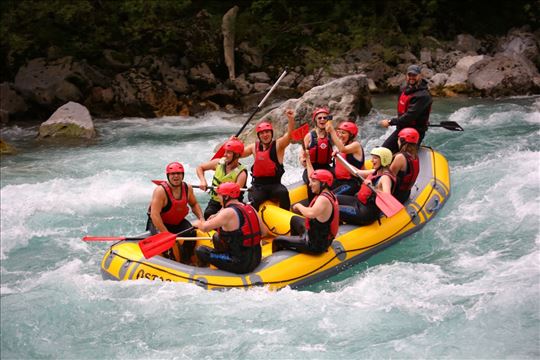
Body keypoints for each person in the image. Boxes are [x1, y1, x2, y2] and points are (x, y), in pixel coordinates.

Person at [193, 182, 264, 274]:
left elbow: (205, 228)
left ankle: (204, 274)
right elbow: (264, 232)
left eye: (219, 196)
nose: (218, 199)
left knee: (201, 251)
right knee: (217, 237)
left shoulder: (227, 212)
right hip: (256, 259)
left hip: (239, 263)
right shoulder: (250, 208)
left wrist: (198, 223)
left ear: (226, 197)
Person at [147, 162, 204, 264]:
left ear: (183, 175)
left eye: (179, 173)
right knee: (166, 245)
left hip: (177, 221)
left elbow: (194, 204)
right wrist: (166, 233)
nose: (176, 176)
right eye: (173, 174)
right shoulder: (160, 191)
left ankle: (185, 259)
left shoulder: (188, 188)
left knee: (191, 234)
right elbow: (154, 215)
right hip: (160, 223)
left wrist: (201, 219)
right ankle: (169, 262)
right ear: (168, 176)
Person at [272, 169, 339, 255]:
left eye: (314, 181)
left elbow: (310, 214)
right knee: (294, 219)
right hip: (314, 234)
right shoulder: (328, 193)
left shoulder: (323, 199)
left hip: (315, 244)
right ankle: (294, 245)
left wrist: (299, 206)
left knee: (277, 240)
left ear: (323, 183)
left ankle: (281, 259)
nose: (310, 184)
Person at [241, 109, 295, 210]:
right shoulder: (254, 147)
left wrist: (291, 120)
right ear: (258, 136)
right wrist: (233, 143)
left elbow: (289, 136)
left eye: (267, 132)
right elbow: (239, 153)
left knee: (283, 192)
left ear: (271, 133)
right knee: (254, 200)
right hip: (258, 186)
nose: (265, 135)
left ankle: (286, 217)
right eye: (262, 133)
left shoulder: (278, 145)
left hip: (275, 185)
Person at [379, 64, 433, 153]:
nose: (411, 77)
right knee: (383, 152)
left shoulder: (423, 95)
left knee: (405, 157)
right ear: (406, 76)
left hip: (414, 132)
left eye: (414, 75)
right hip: (401, 128)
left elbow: (409, 117)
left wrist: (390, 122)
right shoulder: (405, 89)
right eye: (409, 75)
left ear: (420, 76)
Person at [337, 147, 396, 226]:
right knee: (332, 199)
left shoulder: (385, 178)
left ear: (383, 160)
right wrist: (339, 159)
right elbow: (356, 172)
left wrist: (372, 187)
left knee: (333, 209)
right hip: (358, 202)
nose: (372, 160)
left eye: (375, 158)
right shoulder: (375, 171)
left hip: (366, 212)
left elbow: (387, 198)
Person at [196, 139, 248, 219]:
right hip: (216, 201)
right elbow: (200, 167)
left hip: (231, 205)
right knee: (208, 214)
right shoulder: (218, 163)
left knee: (222, 219)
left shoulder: (241, 174)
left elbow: (233, 198)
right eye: (225, 151)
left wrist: (218, 215)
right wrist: (203, 181)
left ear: (237, 155)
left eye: (229, 152)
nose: (225, 154)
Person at [300, 107, 334, 202]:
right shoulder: (309, 136)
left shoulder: (330, 134)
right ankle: (312, 205)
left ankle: (331, 204)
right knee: (312, 183)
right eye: (319, 118)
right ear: (315, 120)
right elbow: (301, 156)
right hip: (312, 167)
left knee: (336, 179)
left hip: (326, 166)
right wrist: (303, 160)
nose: (322, 120)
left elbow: (340, 147)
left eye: (324, 118)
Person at [325, 120, 364, 196]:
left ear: (351, 135)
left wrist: (332, 131)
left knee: (329, 198)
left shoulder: (356, 145)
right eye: (338, 132)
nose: (340, 135)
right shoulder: (342, 145)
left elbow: (343, 150)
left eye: (343, 133)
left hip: (352, 183)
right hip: (339, 181)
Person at [390, 128, 420, 204]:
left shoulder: (400, 157)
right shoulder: (415, 156)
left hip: (395, 196)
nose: (397, 141)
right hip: (405, 194)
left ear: (402, 141)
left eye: (398, 139)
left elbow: (387, 176)